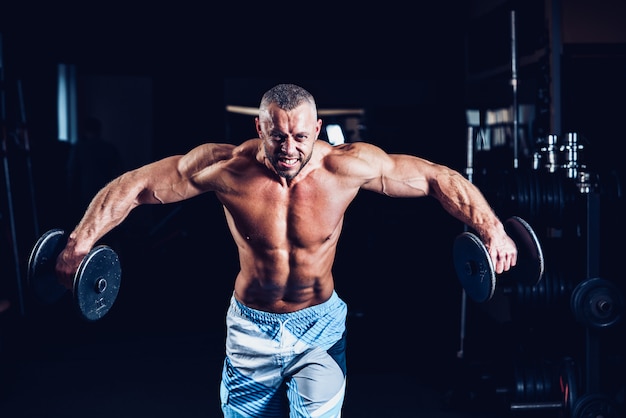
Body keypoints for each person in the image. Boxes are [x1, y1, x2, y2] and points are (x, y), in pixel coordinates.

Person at [55, 83, 517, 417]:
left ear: (318, 128)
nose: (290, 148)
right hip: (250, 328)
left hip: (318, 324)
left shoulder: (347, 166)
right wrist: (78, 244)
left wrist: (492, 229)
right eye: (277, 136)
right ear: (260, 127)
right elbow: (135, 187)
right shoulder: (226, 167)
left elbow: (438, 177)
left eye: (300, 136)